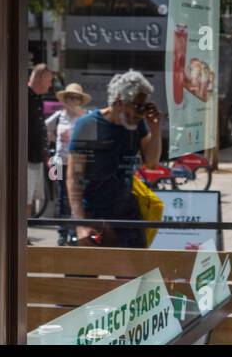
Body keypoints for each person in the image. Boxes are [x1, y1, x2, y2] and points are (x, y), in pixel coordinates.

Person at [67, 70, 162, 248]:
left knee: (137, 275)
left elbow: (151, 162)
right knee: (81, 274)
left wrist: (155, 129)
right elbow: (73, 178)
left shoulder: (136, 124)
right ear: (119, 101)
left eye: (144, 107)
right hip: (92, 214)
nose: (140, 114)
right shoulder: (89, 125)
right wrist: (81, 224)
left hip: (126, 214)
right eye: (137, 107)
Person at [45, 83, 89, 244]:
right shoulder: (58, 116)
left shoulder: (85, 117)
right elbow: (46, 130)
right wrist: (51, 146)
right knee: (61, 198)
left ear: (80, 100)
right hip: (59, 162)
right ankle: (62, 233)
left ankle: (74, 230)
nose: (73, 100)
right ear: (65, 99)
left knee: (76, 197)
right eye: (70, 97)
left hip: (78, 164)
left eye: (77, 97)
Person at [26, 64, 53, 216]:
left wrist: (46, 154)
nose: (50, 86)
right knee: (24, 197)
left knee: (30, 198)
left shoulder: (37, 99)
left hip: (36, 157)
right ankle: (21, 233)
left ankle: (25, 232)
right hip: (26, 157)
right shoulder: (24, 97)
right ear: (41, 79)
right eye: (49, 81)